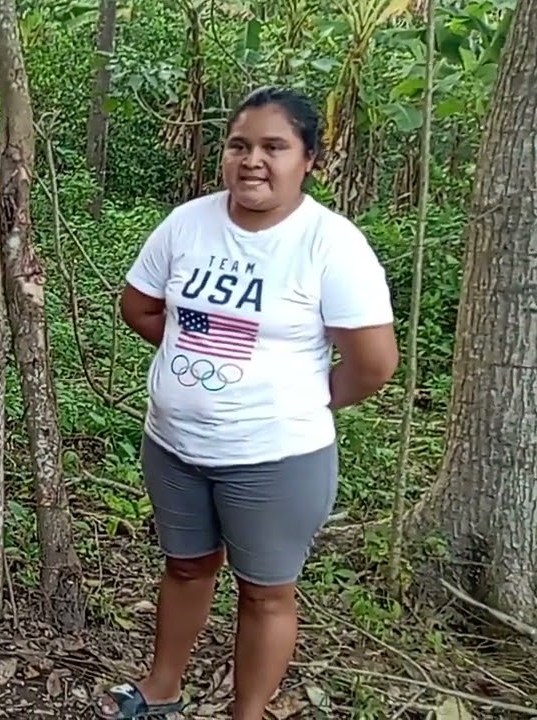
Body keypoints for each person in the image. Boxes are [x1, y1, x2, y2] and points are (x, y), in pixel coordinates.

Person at [96, 86, 399, 720]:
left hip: (276, 457)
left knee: (265, 593)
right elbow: (140, 305)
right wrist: (204, 360)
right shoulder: (189, 223)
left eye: (273, 147)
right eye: (239, 145)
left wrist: (299, 396)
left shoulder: (330, 244)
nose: (252, 160)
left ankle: (248, 711)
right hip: (174, 447)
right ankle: (161, 689)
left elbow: (373, 364)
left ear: (309, 158)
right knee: (185, 567)